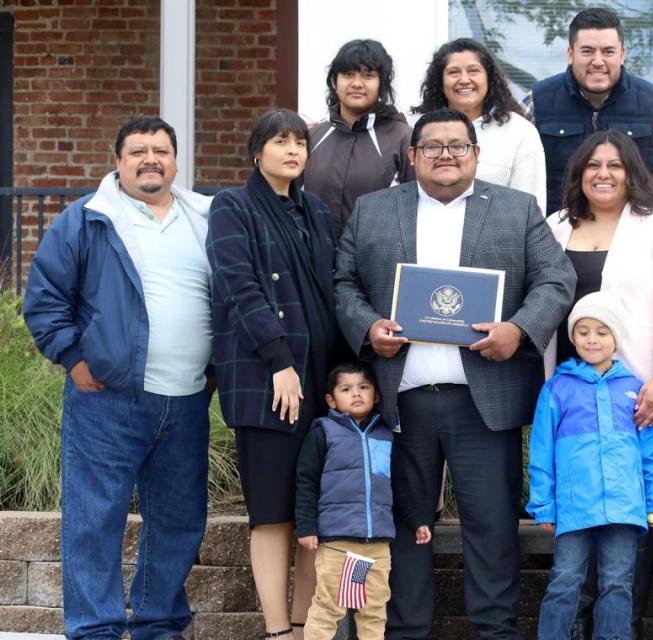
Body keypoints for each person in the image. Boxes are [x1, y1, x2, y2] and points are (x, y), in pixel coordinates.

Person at [334, 107, 576, 639]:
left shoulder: (517, 209)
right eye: (433, 146)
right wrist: (368, 325)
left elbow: (556, 280)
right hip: (401, 400)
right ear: (412, 155)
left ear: (476, 154)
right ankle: (404, 632)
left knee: (492, 530)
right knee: (404, 526)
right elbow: (343, 283)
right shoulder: (374, 211)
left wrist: (518, 329)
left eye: (458, 146)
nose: (446, 155)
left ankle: (496, 632)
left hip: (483, 401)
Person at [23, 116, 213, 640]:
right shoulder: (87, 219)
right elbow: (44, 302)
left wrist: (216, 369)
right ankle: (95, 629)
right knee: (93, 521)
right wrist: (75, 360)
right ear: (118, 162)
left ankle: (158, 623)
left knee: (178, 523)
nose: (149, 158)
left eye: (160, 149)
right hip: (107, 399)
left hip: (188, 398)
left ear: (176, 161)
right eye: (137, 151)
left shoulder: (206, 219)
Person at [543, 129, 653, 638]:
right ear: (578, 174)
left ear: (632, 173)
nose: (603, 174)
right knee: (577, 502)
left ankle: (621, 622)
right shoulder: (555, 226)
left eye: (614, 165)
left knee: (631, 509)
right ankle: (574, 623)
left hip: (638, 390)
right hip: (569, 391)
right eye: (592, 165)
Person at [207, 109, 342, 640]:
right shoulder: (232, 206)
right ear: (256, 151)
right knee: (271, 511)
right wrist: (280, 362)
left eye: (300, 142)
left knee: (311, 512)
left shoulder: (315, 212)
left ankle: (307, 626)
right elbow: (242, 289)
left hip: (319, 373)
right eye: (280, 141)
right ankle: (276, 631)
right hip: (265, 377)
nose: (292, 150)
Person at [528, 291, 653, 640]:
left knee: (618, 584)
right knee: (565, 581)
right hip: (575, 508)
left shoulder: (635, 389)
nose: (592, 339)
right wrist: (543, 504)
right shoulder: (557, 389)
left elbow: (649, 454)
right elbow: (541, 451)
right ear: (572, 337)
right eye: (584, 331)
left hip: (624, 507)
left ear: (616, 338)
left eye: (602, 332)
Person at [295, 362, 433, 640]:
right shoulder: (323, 432)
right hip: (338, 541)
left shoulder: (386, 436)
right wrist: (307, 526)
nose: (356, 394)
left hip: (376, 544)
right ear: (331, 400)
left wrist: (417, 520)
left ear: (377, 395)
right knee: (329, 606)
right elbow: (306, 481)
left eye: (364, 387)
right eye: (346, 389)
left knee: (373, 608)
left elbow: (399, 486)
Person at [522, 6, 653, 216]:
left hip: (637, 239)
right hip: (557, 239)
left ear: (622, 54)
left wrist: (652, 225)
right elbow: (516, 174)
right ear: (570, 54)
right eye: (587, 51)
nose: (598, 61)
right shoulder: (536, 102)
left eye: (608, 51)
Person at [411, 38, 547, 214]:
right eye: (453, 72)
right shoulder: (415, 127)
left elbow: (531, 206)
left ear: (489, 77)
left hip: (497, 238)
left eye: (473, 71)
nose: (464, 80)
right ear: (440, 81)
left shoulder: (520, 131)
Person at [302, 39, 414, 239]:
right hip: (315, 261)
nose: (356, 83)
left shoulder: (404, 138)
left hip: (375, 261)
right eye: (348, 74)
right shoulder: (312, 137)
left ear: (382, 84)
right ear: (335, 82)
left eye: (368, 75)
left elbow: (416, 206)